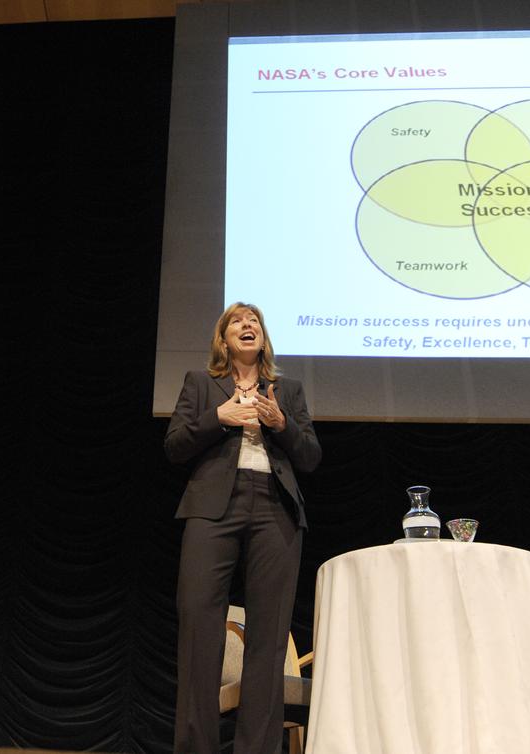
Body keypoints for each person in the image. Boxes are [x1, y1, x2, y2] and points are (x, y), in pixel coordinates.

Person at [165, 302, 321, 754]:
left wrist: (281, 423)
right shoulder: (202, 384)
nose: (247, 325)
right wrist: (220, 418)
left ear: (263, 337)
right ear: (224, 338)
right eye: (237, 321)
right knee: (199, 624)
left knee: (269, 638)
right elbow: (175, 445)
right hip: (214, 507)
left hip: (275, 508)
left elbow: (310, 457)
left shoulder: (286, 391)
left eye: (253, 321)